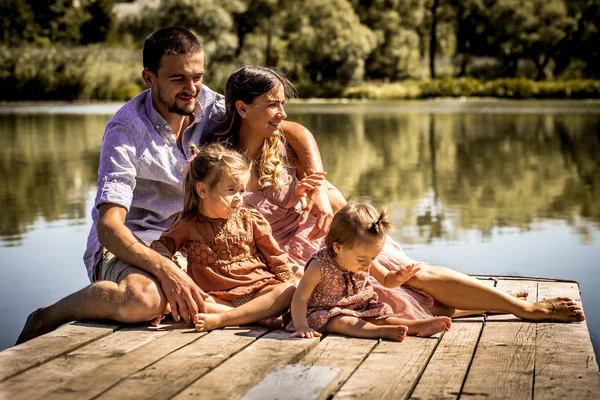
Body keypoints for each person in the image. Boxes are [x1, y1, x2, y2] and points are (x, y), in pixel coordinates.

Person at [16, 26, 332, 344]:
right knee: (145, 300)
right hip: (135, 246)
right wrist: (166, 270)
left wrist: (317, 186)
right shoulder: (125, 131)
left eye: (197, 76)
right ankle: (50, 313)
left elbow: (290, 129)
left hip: (197, 243)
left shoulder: (212, 106)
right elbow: (109, 228)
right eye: (178, 78)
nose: (191, 88)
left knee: (293, 288)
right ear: (149, 77)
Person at [219, 64, 586, 324]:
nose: (282, 113)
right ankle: (494, 303)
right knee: (392, 302)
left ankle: (524, 309)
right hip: (287, 256)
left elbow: (303, 141)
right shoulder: (219, 161)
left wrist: (330, 202)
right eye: (273, 104)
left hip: (327, 235)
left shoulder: (282, 144)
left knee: (408, 274)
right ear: (242, 107)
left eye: (283, 103)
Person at [150, 143, 300, 331]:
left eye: (242, 190)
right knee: (189, 302)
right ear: (203, 190)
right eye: (231, 190)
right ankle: (251, 316)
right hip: (215, 296)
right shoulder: (188, 224)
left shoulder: (251, 219)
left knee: (286, 291)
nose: (239, 197)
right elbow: (162, 247)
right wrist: (171, 272)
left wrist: (288, 283)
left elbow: (275, 257)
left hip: (256, 290)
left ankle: (226, 318)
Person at [289, 202, 452, 342]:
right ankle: (379, 332)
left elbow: (386, 280)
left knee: (382, 317)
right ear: (338, 248)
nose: (368, 263)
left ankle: (418, 326)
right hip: (325, 313)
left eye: (373, 257)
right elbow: (300, 298)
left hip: (360, 307)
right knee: (342, 321)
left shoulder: (366, 259)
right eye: (362, 260)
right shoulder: (319, 266)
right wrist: (302, 326)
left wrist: (399, 277)